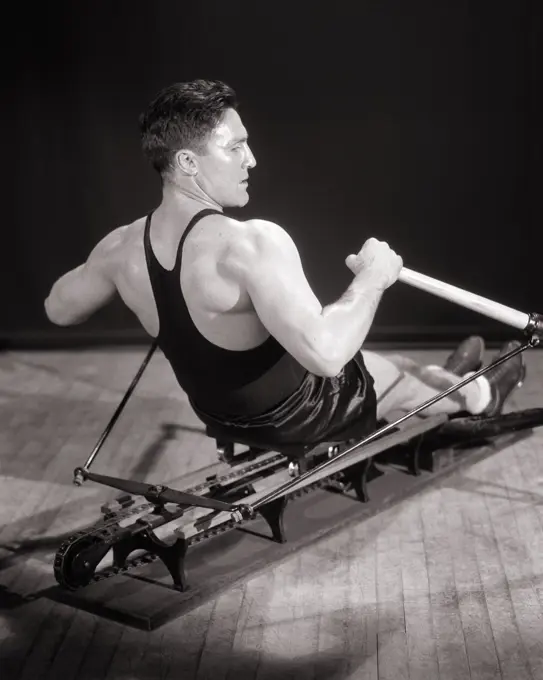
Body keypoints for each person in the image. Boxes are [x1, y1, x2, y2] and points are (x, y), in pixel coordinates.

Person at [44, 79, 525, 448]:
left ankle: (443, 377)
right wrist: (373, 280)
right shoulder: (249, 244)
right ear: (188, 163)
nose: (250, 159)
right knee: (382, 373)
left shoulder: (119, 248)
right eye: (234, 147)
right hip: (302, 413)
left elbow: (58, 310)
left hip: (220, 415)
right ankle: (476, 396)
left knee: (392, 362)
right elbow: (327, 354)